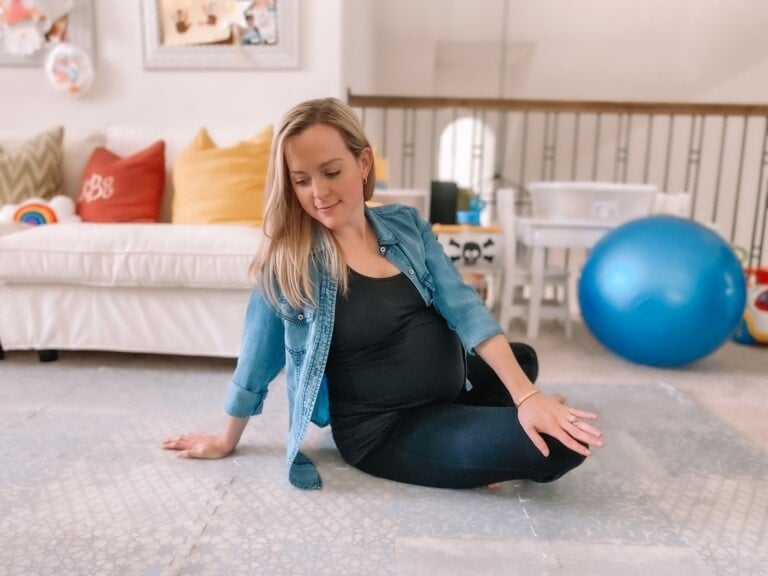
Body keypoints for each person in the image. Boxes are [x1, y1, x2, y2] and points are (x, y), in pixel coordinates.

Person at [162, 97, 603, 490]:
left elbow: (464, 305)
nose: (318, 193)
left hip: (449, 389)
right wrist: (224, 440)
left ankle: (488, 427)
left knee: (520, 361)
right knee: (564, 447)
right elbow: (255, 363)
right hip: (388, 429)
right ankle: (484, 439)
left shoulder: (405, 225)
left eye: (332, 172)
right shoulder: (288, 263)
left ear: (363, 163)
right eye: (301, 180)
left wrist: (527, 396)